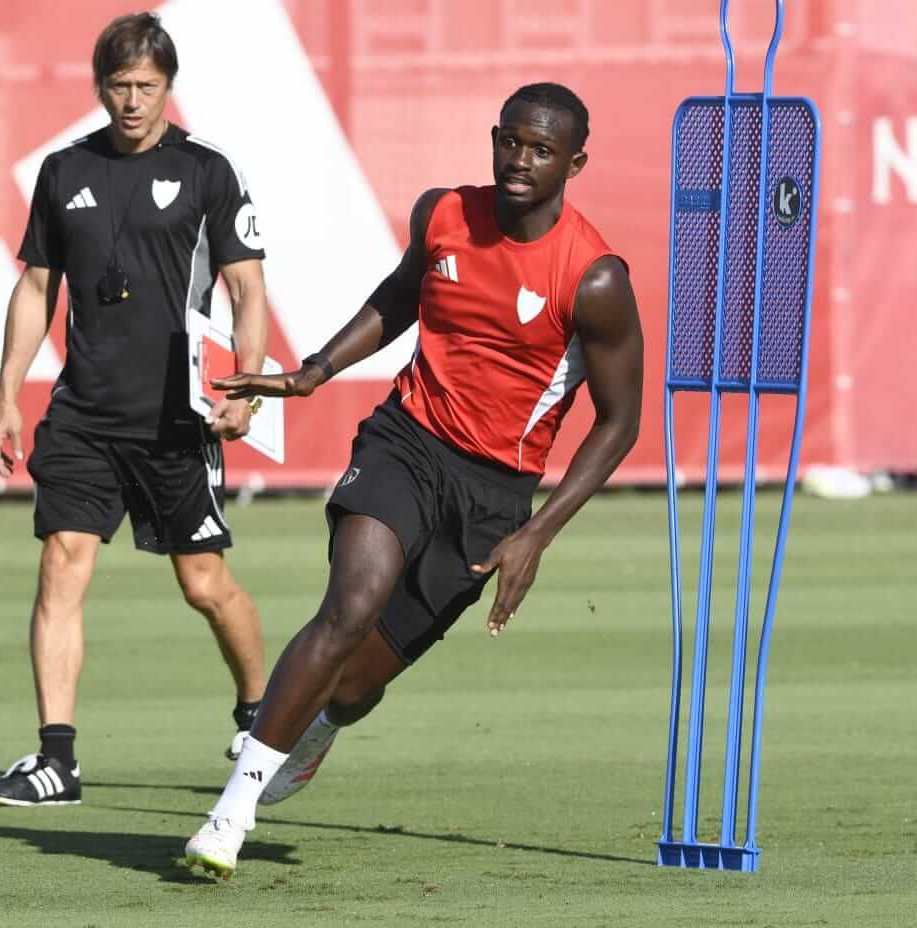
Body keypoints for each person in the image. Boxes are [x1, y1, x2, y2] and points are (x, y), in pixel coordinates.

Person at [184, 82, 644, 875]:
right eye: (511, 141)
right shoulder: (443, 214)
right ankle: (231, 813)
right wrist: (316, 370)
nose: (521, 160)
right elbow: (400, 298)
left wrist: (536, 534)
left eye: (542, 150)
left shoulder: (594, 278)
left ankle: (317, 729)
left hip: (494, 494)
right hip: (407, 440)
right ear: (494, 139)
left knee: (355, 685)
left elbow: (620, 422)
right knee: (349, 606)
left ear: (575, 163)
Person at [0, 12, 269, 807]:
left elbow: (247, 288)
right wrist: (7, 397)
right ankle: (57, 760)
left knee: (204, 584)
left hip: (176, 419)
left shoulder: (209, 170)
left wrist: (246, 387)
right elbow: (36, 287)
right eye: (119, 86)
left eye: (147, 85)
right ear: (99, 87)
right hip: (83, 416)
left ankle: (260, 716)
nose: (133, 100)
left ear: (168, 86)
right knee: (61, 563)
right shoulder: (64, 170)